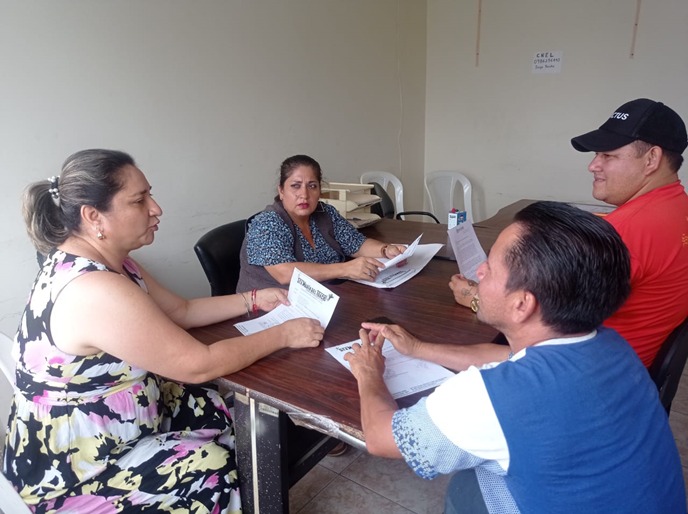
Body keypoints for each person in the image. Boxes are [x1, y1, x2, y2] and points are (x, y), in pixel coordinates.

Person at [3, 149, 324, 513]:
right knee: (212, 468)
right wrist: (283, 334)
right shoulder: (93, 290)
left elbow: (180, 311)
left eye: (149, 195)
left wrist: (253, 299)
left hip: (121, 421)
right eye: (139, 200)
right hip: (77, 467)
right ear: (93, 216)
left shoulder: (113, 263)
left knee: (222, 412)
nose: (156, 209)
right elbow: (198, 364)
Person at [345, 201, 685, 513]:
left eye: (490, 267)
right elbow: (509, 356)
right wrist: (419, 348)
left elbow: (380, 437)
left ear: (522, 304)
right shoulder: (609, 344)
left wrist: (368, 371)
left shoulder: (491, 398)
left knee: (464, 486)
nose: (479, 271)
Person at [448, 98, 688, 368]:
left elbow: (540, 312)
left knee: (449, 358)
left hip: (586, 369)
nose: (593, 165)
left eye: (608, 155)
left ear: (652, 159)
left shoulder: (625, 231)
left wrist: (475, 298)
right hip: (628, 365)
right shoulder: (678, 206)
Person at [237, 154, 407, 291]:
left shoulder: (325, 213)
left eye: (312, 186)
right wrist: (345, 269)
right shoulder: (267, 223)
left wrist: (386, 250)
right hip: (273, 308)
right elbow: (285, 273)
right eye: (295, 186)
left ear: (320, 190)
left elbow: (356, 243)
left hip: (322, 298)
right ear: (281, 191)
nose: (304, 194)